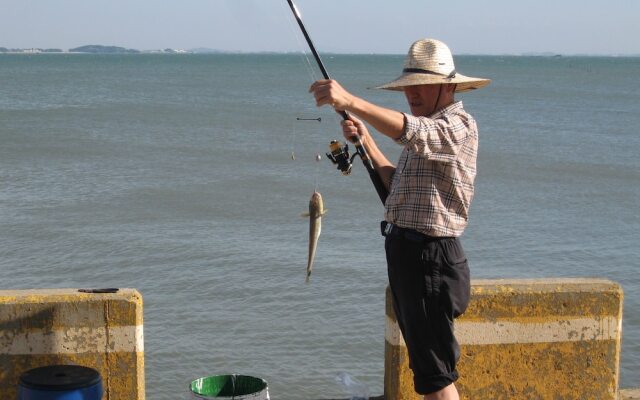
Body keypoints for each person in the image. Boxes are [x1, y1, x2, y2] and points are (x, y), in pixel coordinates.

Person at [309, 38, 490, 400]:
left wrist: (350, 102)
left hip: (431, 259)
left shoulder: (457, 125)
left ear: (448, 86)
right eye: (409, 87)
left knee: (436, 377)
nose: (412, 95)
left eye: (421, 86)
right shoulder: (425, 134)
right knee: (427, 370)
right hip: (410, 256)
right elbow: (398, 187)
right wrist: (366, 141)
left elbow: (413, 131)